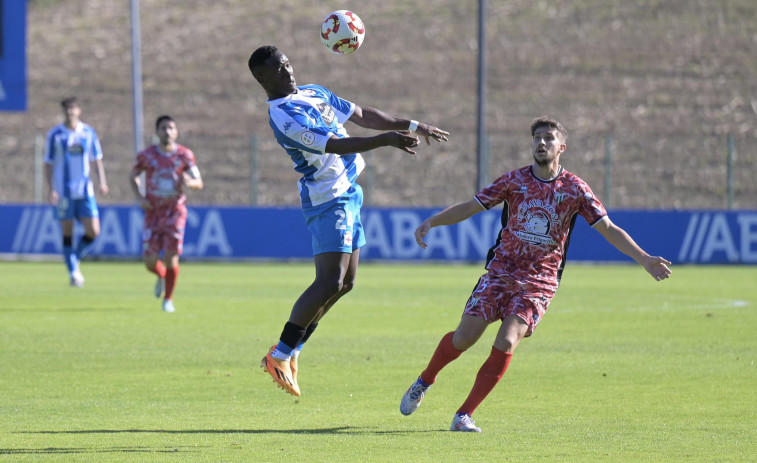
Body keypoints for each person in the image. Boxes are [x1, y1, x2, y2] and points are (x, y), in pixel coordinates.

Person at [399, 116, 672, 432]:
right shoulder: (514, 181)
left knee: (507, 340)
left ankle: (464, 414)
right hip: (501, 272)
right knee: (464, 338)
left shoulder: (575, 189)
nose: (542, 143)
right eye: (537, 138)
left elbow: (608, 228)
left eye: (549, 138)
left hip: (539, 281)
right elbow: (471, 206)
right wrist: (432, 221)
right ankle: (424, 380)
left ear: (561, 147)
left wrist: (644, 258)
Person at [248, 45, 450, 397]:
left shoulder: (313, 91)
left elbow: (362, 114)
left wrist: (412, 124)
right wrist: (387, 141)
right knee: (330, 280)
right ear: (263, 78)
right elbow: (333, 146)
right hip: (328, 198)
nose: (289, 71)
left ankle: (294, 350)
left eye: (288, 63)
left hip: (348, 192)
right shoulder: (283, 116)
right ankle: (278, 353)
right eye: (279, 69)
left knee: (346, 283)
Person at [129, 115, 204, 313]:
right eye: (163, 128)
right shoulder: (147, 155)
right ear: (157, 132)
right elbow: (133, 176)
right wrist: (139, 198)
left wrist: (191, 183)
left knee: (172, 258)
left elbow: (199, 181)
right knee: (149, 261)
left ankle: (168, 300)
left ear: (176, 132)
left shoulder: (185, 155)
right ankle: (161, 275)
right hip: (153, 212)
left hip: (175, 212)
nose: (167, 131)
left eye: (171, 128)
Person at [44, 96, 109, 287]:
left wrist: (102, 182)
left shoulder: (88, 132)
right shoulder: (55, 135)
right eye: (67, 109)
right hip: (64, 192)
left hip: (85, 191)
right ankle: (73, 272)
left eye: (73, 109)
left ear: (79, 111)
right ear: (63, 111)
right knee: (68, 233)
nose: (70, 112)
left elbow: (96, 159)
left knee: (94, 231)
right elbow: (48, 163)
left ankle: (73, 259)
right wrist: (52, 189)